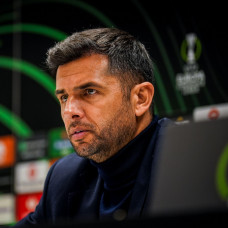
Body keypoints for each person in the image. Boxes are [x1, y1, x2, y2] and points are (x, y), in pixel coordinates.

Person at [14, 27, 172, 227]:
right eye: (63, 97)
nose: (70, 110)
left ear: (140, 98)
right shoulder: (63, 178)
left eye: (89, 91)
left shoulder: (190, 159)